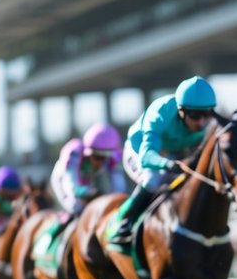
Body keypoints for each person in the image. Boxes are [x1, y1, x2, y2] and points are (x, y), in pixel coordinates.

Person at [110, 76, 216, 250]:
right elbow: (146, 156)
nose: (201, 122)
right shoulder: (161, 112)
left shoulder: (207, 123)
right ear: (181, 111)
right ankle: (123, 221)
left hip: (173, 150)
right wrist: (167, 164)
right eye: (195, 115)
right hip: (140, 149)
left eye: (206, 114)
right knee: (153, 180)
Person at [51, 122, 126, 217]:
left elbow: (119, 190)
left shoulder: (114, 157)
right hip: (63, 180)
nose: (101, 162)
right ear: (88, 153)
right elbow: (72, 188)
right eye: (97, 157)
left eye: (105, 158)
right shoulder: (74, 153)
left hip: (85, 180)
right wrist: (90, 192)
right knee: (76, 206)